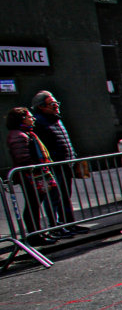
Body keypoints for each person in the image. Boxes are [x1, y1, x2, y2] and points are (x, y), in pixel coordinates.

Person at [29, 91, 85, 234]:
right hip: (55, 166)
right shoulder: (40, 122)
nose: (56, 106)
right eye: (52, 104)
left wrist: (73, 157)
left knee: (65, 196)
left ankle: (69, 224)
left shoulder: (56, 119)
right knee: (54, 197)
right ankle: (57, 227)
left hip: (65, 164)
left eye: (56, 103)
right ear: (42, 107)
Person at [6, 107, 60, 239]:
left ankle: (38, 233)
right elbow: (22, 158)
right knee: (32, 206)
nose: (33, 119)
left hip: (35, 174)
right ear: (22, 119)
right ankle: (34, 236)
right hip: (29, 176)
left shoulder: (27, 133)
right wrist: (35, 168)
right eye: (30, 117)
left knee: (35, 205)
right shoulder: (18, 135)